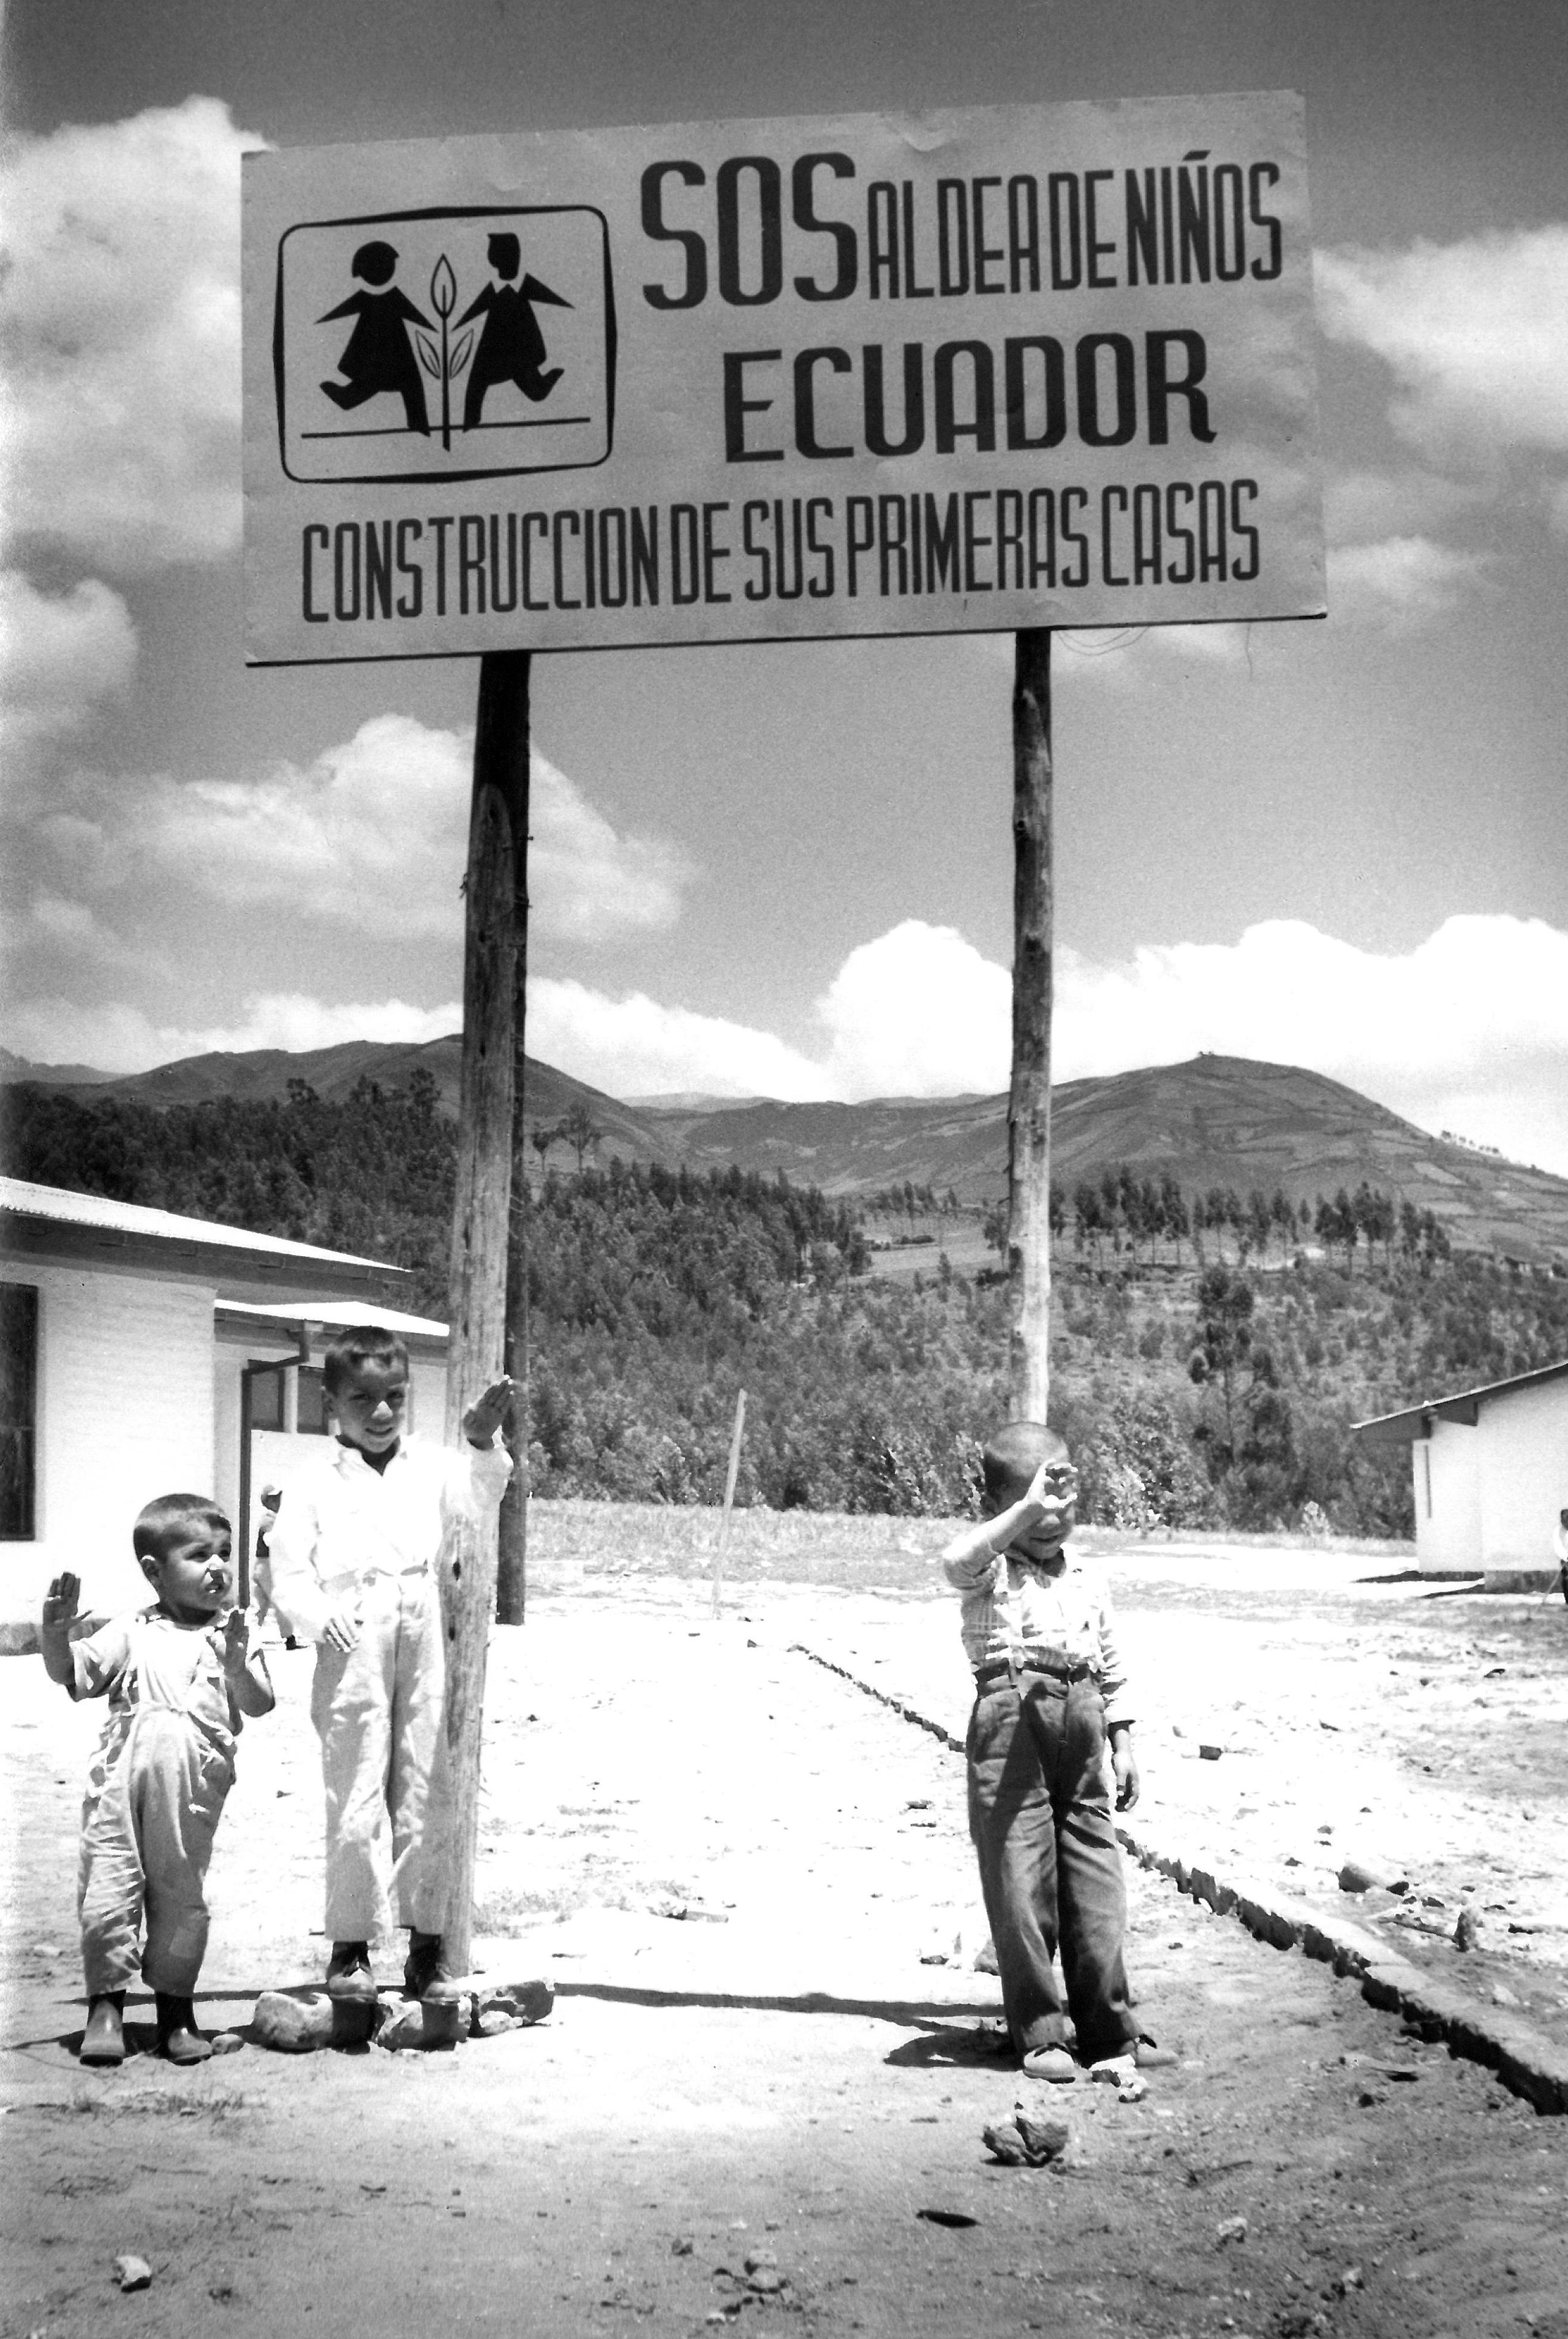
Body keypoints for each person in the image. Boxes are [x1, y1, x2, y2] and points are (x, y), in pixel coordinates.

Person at [264, 1327, 513, 2008]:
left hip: (420, 1613)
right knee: (356, 1785)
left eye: (393, 1398)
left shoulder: (431, 1465)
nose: (379, 1413)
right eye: (362, 1398)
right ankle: (351, 1949)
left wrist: (483, 1442)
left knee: (425, 1782)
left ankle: (426, 1950)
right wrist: (317, 1617)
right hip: (353, 1632)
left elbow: (481, 1495)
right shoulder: (311, 1482)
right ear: (330, 1403)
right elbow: (285, 1575)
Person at [941, 1422, 1169, 2084]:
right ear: (1000, 1509)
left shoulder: (1088, 1578)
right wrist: (1024, 1513)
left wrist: (1123, 1741)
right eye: (1033, 1508)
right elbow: (954, 1561)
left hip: (1083, 1719)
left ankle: (1111, 2028)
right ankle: (1040, 2031)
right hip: (1010, 1722)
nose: (1050, 1522)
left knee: (1097, 1878)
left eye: (1062, 1506)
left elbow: (1114, 1663)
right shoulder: (990, 1571)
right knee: (1020, 1878)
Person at [40, 1496, 275, 2068]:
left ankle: (177, 2014)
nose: (218, 1566)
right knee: (108, 1891)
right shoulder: (132, 1628)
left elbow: (261, 1703)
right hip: (118, 1789)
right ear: (155, 1571)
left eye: (225, 1553)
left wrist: (240, 1663)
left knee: (180, 1898)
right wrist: (54, 1632)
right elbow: (70, 1672)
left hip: (191, 1795)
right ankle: (105, 2009)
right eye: (199, 1556)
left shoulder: (235, 1631)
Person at [318, 239, 432, 435]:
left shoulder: (386, 297)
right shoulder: (381, 298)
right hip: (390, 353)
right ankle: (418, 424)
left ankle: (418, 424)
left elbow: (412, 314)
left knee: (395, 380)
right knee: (389, 379)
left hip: (395, 352)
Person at [456, 231, 568, 428]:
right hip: (499, 342)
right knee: (481, 381)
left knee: (488, 381)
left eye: (494, 252)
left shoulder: (516, 288)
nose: (491, 257)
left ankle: (471, 422)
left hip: (512, 344)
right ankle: (471, 422)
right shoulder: (502, 288)